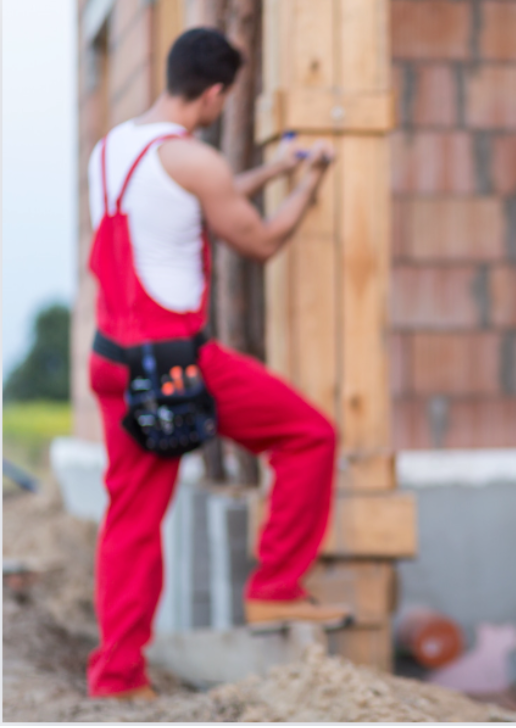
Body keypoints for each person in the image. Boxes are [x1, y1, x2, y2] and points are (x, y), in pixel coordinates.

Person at [86, 28, 349, 700]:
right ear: (213, 93)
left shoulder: (111, 149)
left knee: (130, 523)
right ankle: (275, 586)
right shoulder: (192, 159)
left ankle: (116, 676)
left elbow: (197, 197)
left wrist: (276, 171)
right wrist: (310, 184)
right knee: (310, 435)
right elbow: (257, 240)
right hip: (172, 364)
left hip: (114, 360)